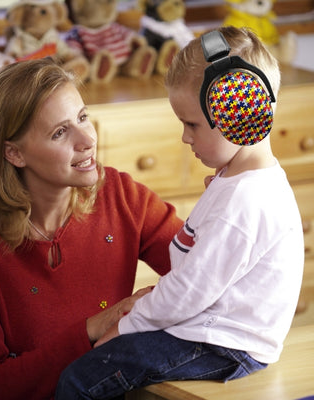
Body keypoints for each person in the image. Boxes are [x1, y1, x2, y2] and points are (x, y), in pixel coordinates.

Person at [55, 26, 305, 399]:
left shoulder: (244, 202)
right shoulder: (238, 184)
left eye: (192, 124)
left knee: (81, 379)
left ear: (244, 113)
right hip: (210, 328)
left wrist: (125, 326)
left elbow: (188, 291)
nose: (185, 137)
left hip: (222, 343)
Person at [0, 58, 183, 400]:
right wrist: (93, 329)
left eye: (82, 117)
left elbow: (207, 273)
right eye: (60, 132)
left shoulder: (122, 196)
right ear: (14, 153)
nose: (87, 140)